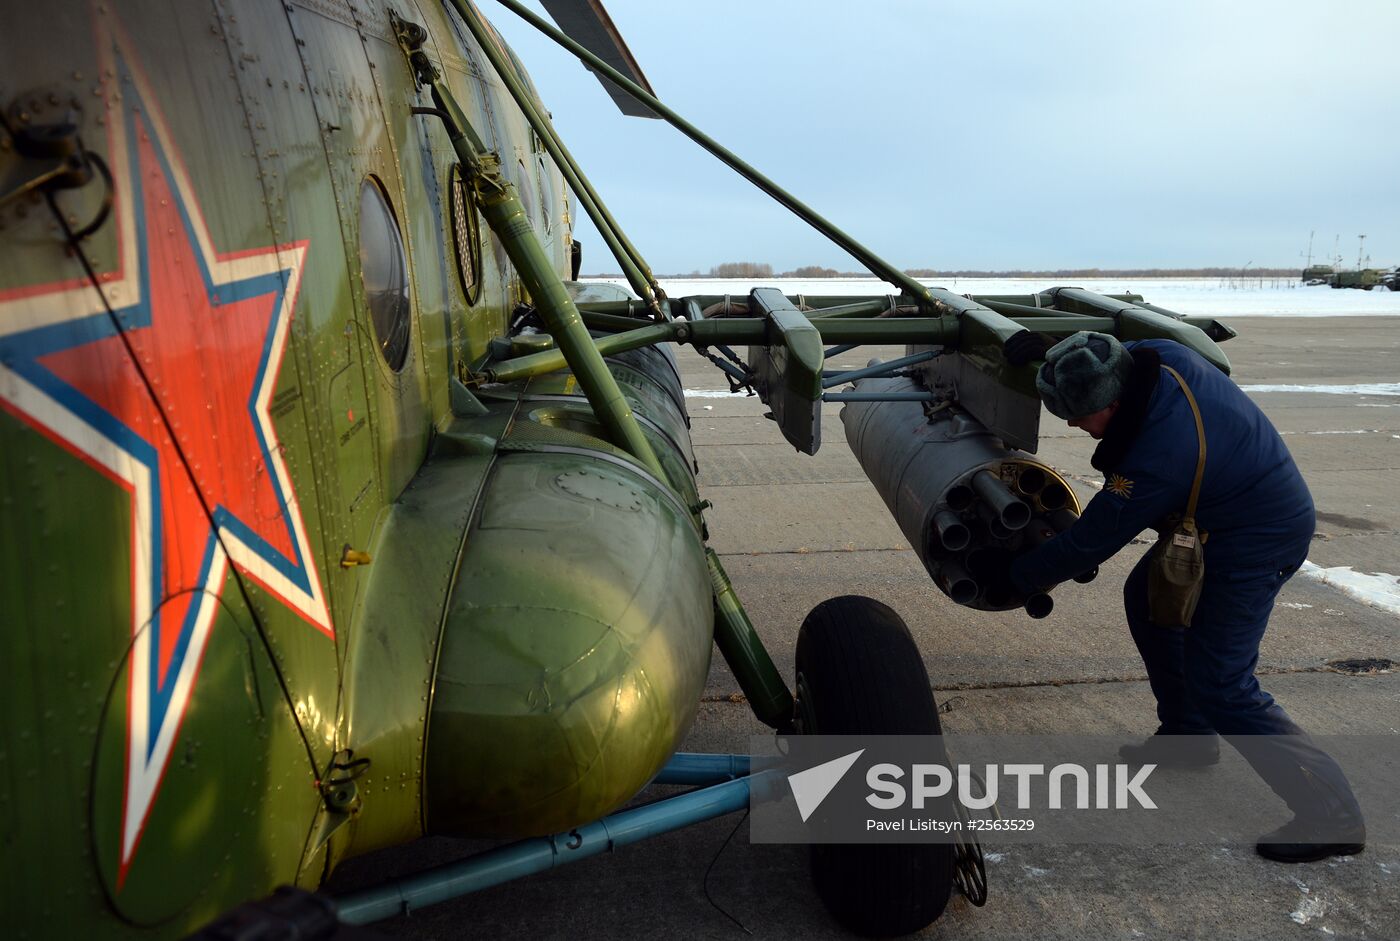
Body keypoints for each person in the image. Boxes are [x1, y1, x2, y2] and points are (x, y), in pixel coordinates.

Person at [1005, 330, 1365, 863]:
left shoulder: (1158, 456)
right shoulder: (1160, 356)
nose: (1076, 427)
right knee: (1148, 600)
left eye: (1079, 417)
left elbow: (1088, 542)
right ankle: (1189, 734)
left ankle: (1333, 813)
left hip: (1256, 540)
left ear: (1114, 402)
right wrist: (1054, 350)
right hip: (1230, 515)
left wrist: (1015, 577)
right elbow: (1115, 343)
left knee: (1223, 683)